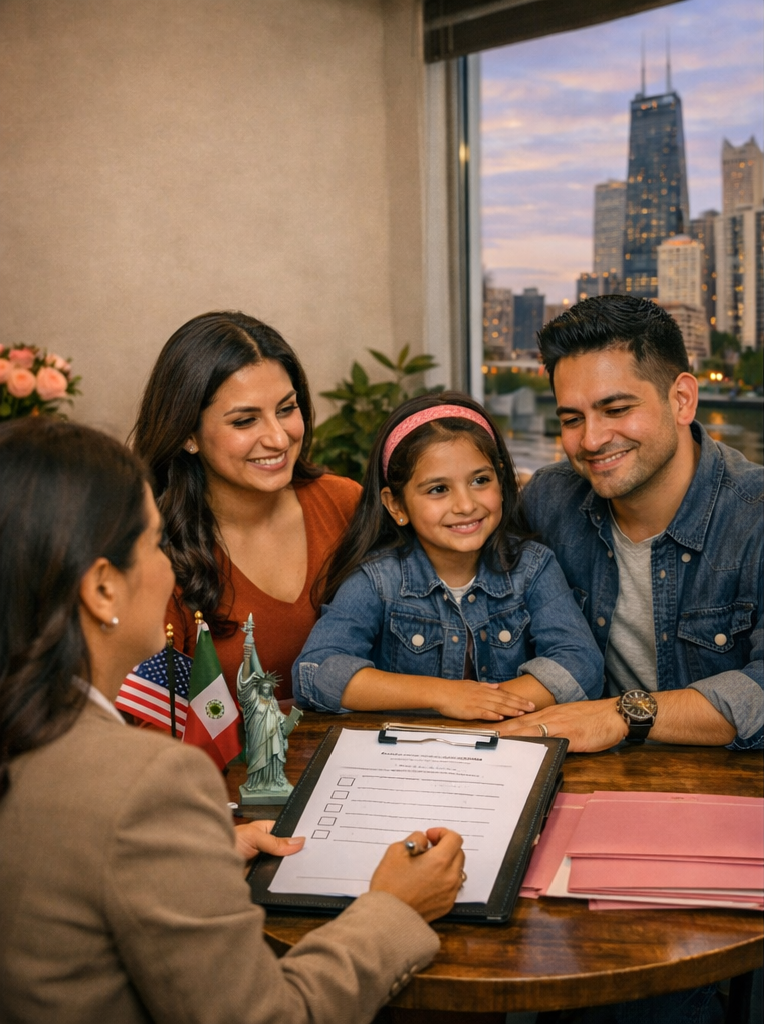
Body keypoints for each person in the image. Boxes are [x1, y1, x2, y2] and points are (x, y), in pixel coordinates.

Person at [0, 417, 465, 1024]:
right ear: (102, 590)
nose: (171, 567)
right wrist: (392, 907)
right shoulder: (145, 783)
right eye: (153, 541)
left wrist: (195, 852)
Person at [499, 295, 763, 753]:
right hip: (587, 779)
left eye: (617, 409)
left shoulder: (754, 513)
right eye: (571, 419)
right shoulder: (549, 498)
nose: (592, 440)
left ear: (682, 399)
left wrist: (621, 713)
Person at [293, 392, 604, 718]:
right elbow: (316, 671)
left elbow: (581, 663)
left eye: (480, 480)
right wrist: (443, 695)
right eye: (438, 489)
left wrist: (482, 703)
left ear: (501, 479)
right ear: (396, 505)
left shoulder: (532, 567)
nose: (466, 505)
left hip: (510, 753)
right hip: (406, 760)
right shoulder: (377, 580)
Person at [131, 311, 361, 703]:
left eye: (286, 409)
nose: (277, 437)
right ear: (188, 434)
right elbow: (154, 730)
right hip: (219, 765)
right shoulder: (154, 549)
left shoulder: (345, 503)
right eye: (245, 421)